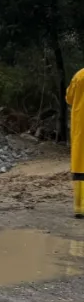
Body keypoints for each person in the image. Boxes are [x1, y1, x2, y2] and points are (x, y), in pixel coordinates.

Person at [65, 68, 84, 218]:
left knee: (79, 165)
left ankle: (79, 207)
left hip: (80, 126)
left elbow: (69, 98)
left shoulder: (79, 76)